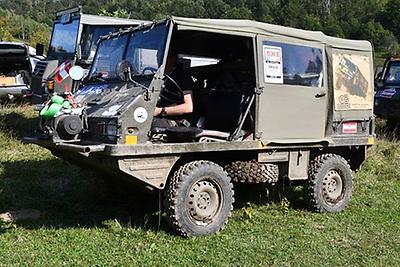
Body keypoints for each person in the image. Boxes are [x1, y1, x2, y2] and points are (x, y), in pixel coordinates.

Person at [152, 54, 195, 128]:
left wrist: (159, 111)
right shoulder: (161, 75)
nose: (158, 57)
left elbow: (188, 107)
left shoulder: (183, 76)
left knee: (148, 124)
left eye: (162, 54)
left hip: (179, 121)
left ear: (172, 58)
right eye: (158, 54)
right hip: (164, 116)